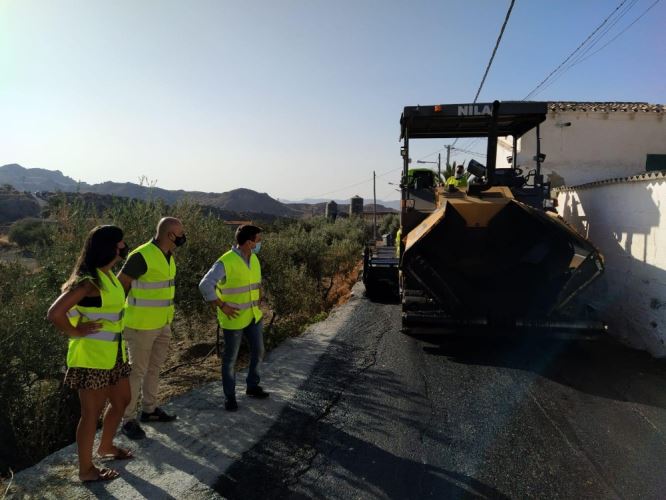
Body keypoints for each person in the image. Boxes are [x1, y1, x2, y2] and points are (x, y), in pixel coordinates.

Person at [47, 225, 133, 483]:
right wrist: (75, 331)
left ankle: (105, 447)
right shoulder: (88, 282)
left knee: (122, 401)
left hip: (113, 356)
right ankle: (86, 470)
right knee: (90, 415)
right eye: (120, 243)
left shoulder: (107, 276)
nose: (123, 247)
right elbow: (54, 314)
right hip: (92, 360)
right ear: (109, 247)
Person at [117, 217, 184, 439]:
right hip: (140, 326)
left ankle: (150, 409)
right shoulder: (141, 255)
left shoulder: (168, 256)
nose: (184, 235)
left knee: (154, 369)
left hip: (162, 324)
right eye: (180, 232)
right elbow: (121, 286)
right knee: (136, 372)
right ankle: (127, 420)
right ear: (170, 234)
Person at [199, 224, 268, 411]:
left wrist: (259, 292)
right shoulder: (225, 261)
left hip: (254, 316)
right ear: (248, 242)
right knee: (230, 359)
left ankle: (252, 386)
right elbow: (205, 285)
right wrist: (221, 305)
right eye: (258, 240)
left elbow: (253, 282)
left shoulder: (253, 258)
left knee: (259, 351)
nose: (261, 243)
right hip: (234, 319)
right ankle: (230, 397)